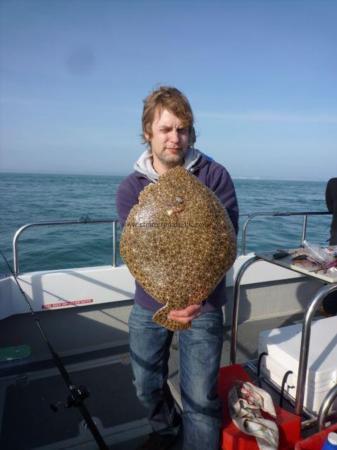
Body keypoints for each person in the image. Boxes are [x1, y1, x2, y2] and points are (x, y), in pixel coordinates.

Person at [116, 86, 239, 450]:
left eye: (182, 129)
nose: (175, 138)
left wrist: (195, 298)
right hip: (149, 302)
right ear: (148, 133)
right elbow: (138, 248)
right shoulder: (130, 187)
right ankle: (168, 430)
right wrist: (169, 298)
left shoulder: (215, 176)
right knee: (144, 383)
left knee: (200, 399)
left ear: (191, 133)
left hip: (205, 302)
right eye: (166, 129)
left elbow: (225, 238)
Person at [321, 178, 337, 316]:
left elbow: (330, 208)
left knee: (332, 276)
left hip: (336, 240)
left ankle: (329, 310)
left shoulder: (333, 183)